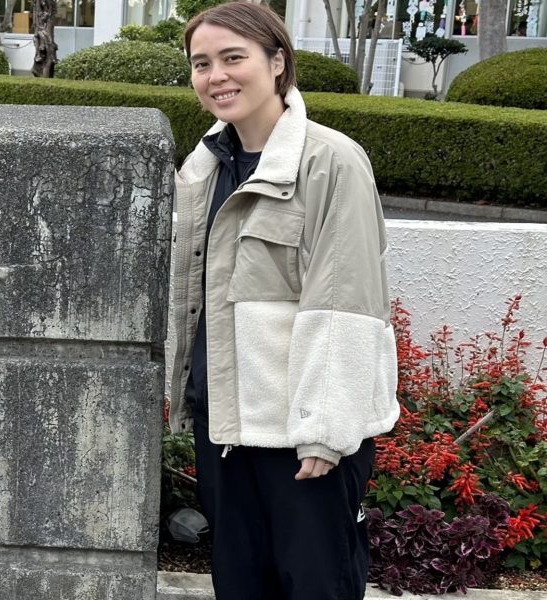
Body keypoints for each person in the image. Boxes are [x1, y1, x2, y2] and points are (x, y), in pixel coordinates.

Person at [163, 3, 400, 599]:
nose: (216, 76)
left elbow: (346, 299)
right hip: (227, 425)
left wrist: (325, 430)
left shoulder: (330, 161)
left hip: (302, 436)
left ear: (277, 63)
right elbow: (193, 295)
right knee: (240, 584)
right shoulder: (203, 169)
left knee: (316, 584)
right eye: (201, 63)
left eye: (233, 58)